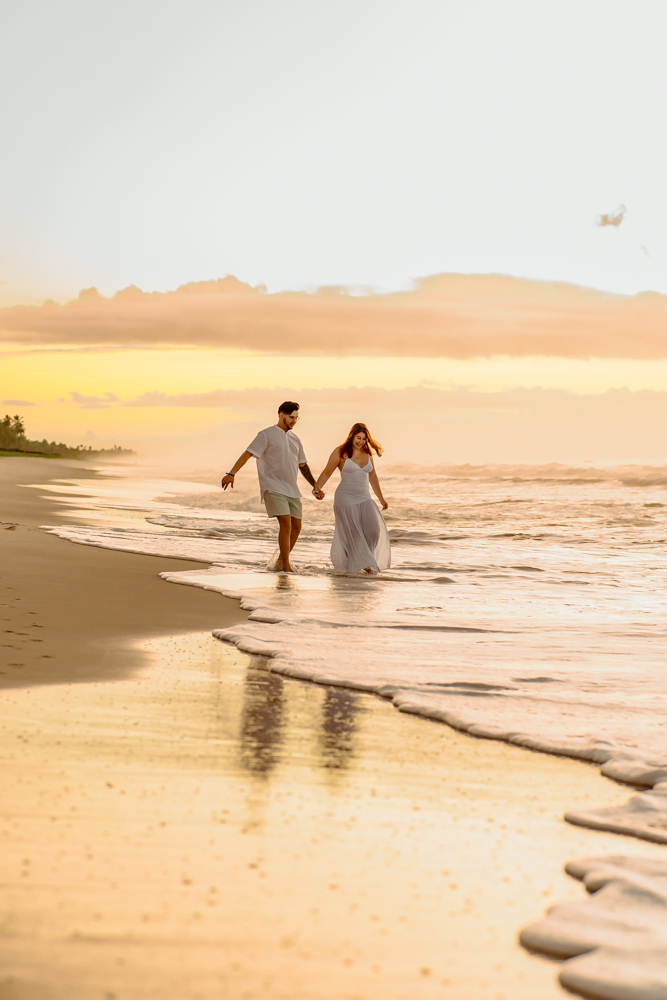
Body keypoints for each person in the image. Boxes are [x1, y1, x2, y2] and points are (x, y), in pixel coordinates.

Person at [221, 401, 323, 573]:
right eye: (291, 417)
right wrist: (231, 473)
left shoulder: (295, 439)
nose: (294, 421)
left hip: (292, 489)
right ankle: (286, 566)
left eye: (296, 418)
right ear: (281, 415)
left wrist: (315, 486)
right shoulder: (266, 434)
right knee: (286, 524)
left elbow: (303, 466)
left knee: (297, 527)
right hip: (273, 486)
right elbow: (248, 453)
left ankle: (280, 562)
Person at [314, 422, 390, 574]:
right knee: (353, 535)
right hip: (345, 499)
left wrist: (381, 498)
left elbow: (373, 476)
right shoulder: (341, 452)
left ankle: (363, 560)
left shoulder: (368, 453)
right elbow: (327, 471)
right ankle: (359, 565)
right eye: (358, 438)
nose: (361, 442)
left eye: (364, 439)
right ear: (352, 436)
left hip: (365, 497)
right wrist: (317, 488)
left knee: (373, 531)